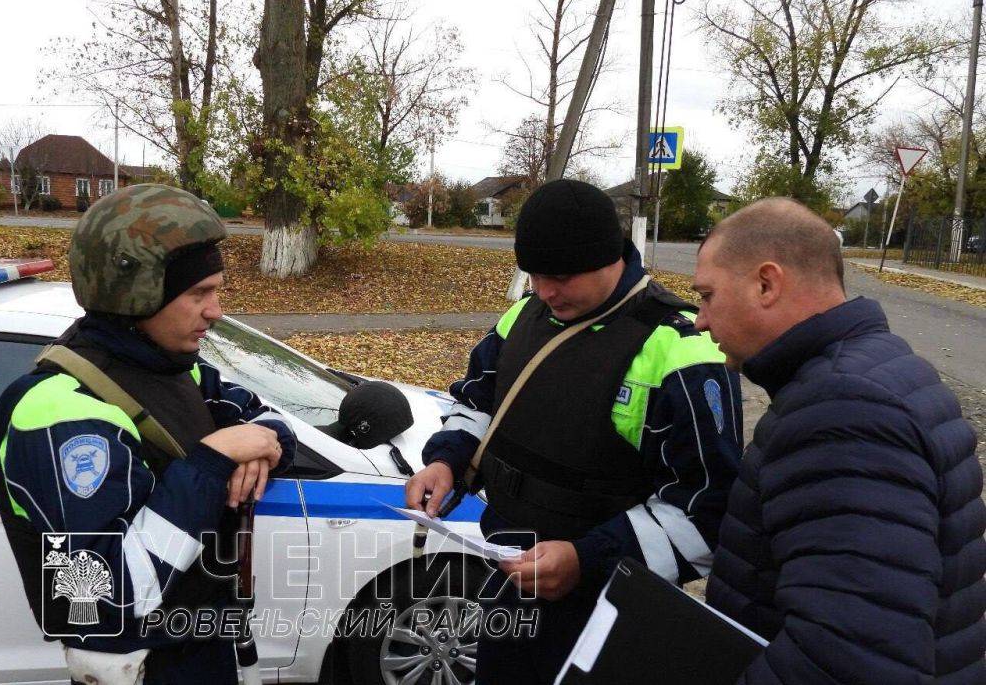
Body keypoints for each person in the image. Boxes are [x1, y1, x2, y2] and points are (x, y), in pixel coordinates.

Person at [405, 179, 743, 684]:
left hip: (608, 607)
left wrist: (587, 559)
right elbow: (478, 403)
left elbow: (706, 511)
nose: (544, 291)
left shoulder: (682, 349)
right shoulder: (524, 316)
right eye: (535, 275)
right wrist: (446, 460)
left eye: (559, 276)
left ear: (609, 258)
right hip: (511, 575)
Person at [0, 184, 298, 684]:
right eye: (199, 294)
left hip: (206, 644)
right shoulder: (62, 413)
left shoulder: (176, 371)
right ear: (136, 294)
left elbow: (268, 423)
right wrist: (213, 459)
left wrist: (260, 443)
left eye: (217, 290)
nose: (216, 310)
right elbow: (108, 594)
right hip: (142, 666)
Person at [694, 197, 986, 683]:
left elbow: (849, 659)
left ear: (767, 283)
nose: (701, 320)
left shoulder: (840, 409)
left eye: (708, 296)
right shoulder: (874, 367)